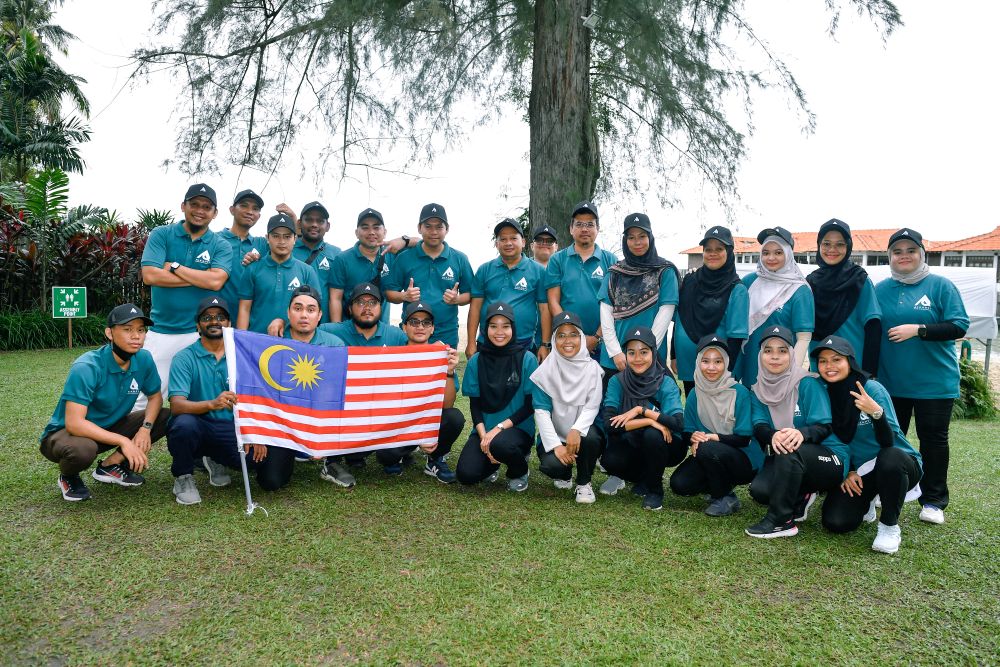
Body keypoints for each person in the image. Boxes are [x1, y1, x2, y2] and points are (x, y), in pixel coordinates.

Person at [875, 227, 968, 525]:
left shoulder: (941, 286)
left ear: (922, 254)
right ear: (889, 257)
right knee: (890, 440)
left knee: (933, 442)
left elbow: (959, 326)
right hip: (891, 382)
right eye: (897, 252)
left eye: (911, 250)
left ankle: (933, 500)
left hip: (934, 382)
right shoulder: (880, 290)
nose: (904, 256)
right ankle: (886, 489)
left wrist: (919, 330)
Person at [39, 304, 169, 501]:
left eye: (141, 330)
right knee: (83, 450)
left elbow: (155, 397)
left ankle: (110, 466)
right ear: (109, 333)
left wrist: (145, 428)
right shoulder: (87, 366)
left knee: (165, 416)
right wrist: (124, 441)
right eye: (127, 329)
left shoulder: (144, 359)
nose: (136, 336)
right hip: (66, 435)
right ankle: (68, 476)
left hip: (108, 427)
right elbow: (74, 423)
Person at [813, 337, 923, 554]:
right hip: (860, 471)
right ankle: (869, 498)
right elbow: (831, 439)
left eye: (836, 359)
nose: (829, 366)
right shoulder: (822, 392)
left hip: (898, 464)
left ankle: (889, 526)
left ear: (850, 362)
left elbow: (888, 441)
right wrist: (849, 470)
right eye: (823, 361)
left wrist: (876, 412)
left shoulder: (871, 388)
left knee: (889, 457)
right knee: (836, 521)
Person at [745, 326, 850, 538]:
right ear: (760, 355)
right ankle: (802, 493)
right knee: (761, 491)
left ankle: (781, 521)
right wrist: (774, 435)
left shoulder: (807, 382)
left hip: (829, 457)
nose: (775, 356)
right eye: (768, 350)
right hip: (788, 456)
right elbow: (759, 426)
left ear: (792, 354)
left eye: (782, 350)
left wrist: (801, 434)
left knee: (791, 450)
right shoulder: (757, 390)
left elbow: (824, 426)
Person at [166, 297, 271, 505]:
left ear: (229, 324)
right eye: (207, 318)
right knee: (183, 425)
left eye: (221, 317)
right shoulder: (184, 358)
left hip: (230, 426)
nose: (214, 321)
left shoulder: (242, 357)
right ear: (198, 325)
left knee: (255, 460)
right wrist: (211, 404)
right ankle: (183, 477)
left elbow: (257, 399)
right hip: (199, 423)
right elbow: (177, 405)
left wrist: (254, 432)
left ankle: (215, 458)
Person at [138, 183, 233, 409]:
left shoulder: (220, 244)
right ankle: (134, 433)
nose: (200, 210)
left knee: (199, 398)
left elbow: (216, 281)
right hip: (161, 331)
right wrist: (202, 276)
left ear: (215, 213)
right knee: (145, 397)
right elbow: (150, 275)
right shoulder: (162, 234)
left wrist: (175, 267)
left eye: (207, 207)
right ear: (183, 206)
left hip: (198, 334)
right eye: (194, 204)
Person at [258, 285, 350, 490]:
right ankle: (292, 452)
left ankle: (332, 461)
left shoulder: (334, 344)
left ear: (320, 315)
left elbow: (338, 391)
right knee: (271, 481)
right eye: (297, 308)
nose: (304, 315)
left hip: (321, 415)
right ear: (288, 312)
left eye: (311, 309)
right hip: (282, 422)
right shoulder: (271, 342)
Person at [374, 301, 465, 483]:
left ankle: (435, 459)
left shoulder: (441, 355)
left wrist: (448, 371)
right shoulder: (394, 356)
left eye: (426, 322)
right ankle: (403, 452)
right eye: (414, 322)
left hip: (428, 421)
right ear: (404, 327)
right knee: (386, 455)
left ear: (432, 328)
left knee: (454, 417)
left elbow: (446, 404)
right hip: (401, 422)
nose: (420, 327)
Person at [669, 336, 760, 516]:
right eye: (706, 361)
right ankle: (718, 483)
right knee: (680, 484)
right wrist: (693, 437)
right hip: (709, 453)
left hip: (745, 459)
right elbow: (687, 432)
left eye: (718, 361)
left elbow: (744, 438)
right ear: (698, 362)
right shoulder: (695, 393)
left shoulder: (740, 393)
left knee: (707, 448)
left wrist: (713, 438)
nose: (711, 367)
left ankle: (725, 497)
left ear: (726, 363)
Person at [599, 327, 685, 511]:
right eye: (631, 353)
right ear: (625, 355)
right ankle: (645, 477)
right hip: (633, 441)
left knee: (652, 435)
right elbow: (609, 424)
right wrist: (648, 420)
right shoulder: (617, 381)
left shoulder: (665, 382)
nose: (637, 358)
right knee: (611, 461)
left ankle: (655, 491)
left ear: (653, 352)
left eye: (644, 352)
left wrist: (642, 410)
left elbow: (677, 424)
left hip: (667, 445)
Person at [456, 302, 538, 491]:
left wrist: (498, 430)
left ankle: (519, 470)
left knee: (501, 445)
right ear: (486, 329)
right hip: (485, 431)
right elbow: (475, 405)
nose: (499, 332)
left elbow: (529, 406)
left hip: (517, 429)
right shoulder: (476, 361)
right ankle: (493, 462)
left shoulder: (527, 359)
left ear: (513, 329)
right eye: (493, 326)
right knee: (466, 475)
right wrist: (484, 436)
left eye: (505, 326)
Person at [530, 311, 605, 504]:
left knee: (592, 438)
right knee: (552, 466)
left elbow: (592, 407)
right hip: (555, 436)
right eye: (561, 335)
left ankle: (584, 483)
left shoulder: (593, 369)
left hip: (582, 435)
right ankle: (565, 474)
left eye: (573, 334)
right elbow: (541, 412)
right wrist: (556, 446)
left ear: (581, 338)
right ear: (554, 340)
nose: (567, 340)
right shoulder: (544, 371)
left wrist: (576, 430)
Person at [383, 203, 474, 349]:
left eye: (439, 227)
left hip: (446, 333)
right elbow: (389, 293)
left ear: (447, 229)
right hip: (412, 333)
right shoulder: (404, 258)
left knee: (446, 365)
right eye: (428, 226)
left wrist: (457, 299)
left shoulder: (459, 259)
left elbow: (470, 295)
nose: (434, 232)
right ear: (419, 228)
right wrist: (404, 296)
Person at [599, 212, 678, 377]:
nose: (637, 242)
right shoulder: (614, 273)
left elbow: (666, 313)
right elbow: (605, 315)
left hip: (651, 359)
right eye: (631, 237)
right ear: (625, 240)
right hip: (616, 360)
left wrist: (645, 352)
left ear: (650, 237)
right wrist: (615, 352)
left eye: (642, 236)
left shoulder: (665, 271)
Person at [672, 226, 748, 394]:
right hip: (689, 364)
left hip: (718, 369)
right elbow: (680, 318)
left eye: (719, 249)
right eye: (708, 249)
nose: (712, 253)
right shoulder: (690, 280)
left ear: (729, 252)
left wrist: (727, 371)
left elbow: (736, 337)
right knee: (694, 406)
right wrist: (674, 355)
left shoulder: (737, 289)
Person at [739, 226, 814, 387]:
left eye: (778, 252)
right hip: (750, 363)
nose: (771, 258)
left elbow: (804, 337)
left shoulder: (799, 289)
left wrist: (791, 374)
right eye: (766, 253)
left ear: (788, 254)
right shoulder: (749, 282)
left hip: (781, 368)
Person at [806, 219, 881, 375]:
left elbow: (873, 327)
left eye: (840, 244)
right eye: (826, 244)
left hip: (852, 368)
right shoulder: (810, 282)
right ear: (819, 245)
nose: (832, 249)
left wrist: (869, 373)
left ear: (848, 247)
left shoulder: (859, 280)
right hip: (819, 367)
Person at [545, 201, 618, 362]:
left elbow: (616, 303)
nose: (584, 229)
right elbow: (553, 301)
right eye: (579, 224)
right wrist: (572, 335)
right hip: (567, 343)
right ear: (571, 229)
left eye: (590, 224)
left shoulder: (611, 260)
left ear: (598, 229)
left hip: (602, 344)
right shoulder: (557, 260)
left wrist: (596, 337)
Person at [467, 218, 549, 359]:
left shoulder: (538, 271)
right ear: (496, 244)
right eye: (503, 239)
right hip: (487, 343)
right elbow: (475, 308)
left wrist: (545, 344)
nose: (508, 243)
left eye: (513, 238)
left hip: (523, 344)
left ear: (523, 242)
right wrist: (470, 342)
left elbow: (544, 309)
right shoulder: (484, 270)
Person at [237, 213, 323, 333]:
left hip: (293, 340)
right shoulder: (253, 269)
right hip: (257, 339)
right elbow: (244, 309)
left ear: (295, 239)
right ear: (267, 238)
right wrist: (242, 339)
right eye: (276, 236)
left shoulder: (307, 271)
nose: (281, 241)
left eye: (287, 236)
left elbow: (314, 310)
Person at [278, 200, 342, 319]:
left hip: (323, 324)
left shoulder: (337, 254)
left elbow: (338, 295)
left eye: (320, 221)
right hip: (287, 323)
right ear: (299, 223)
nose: (314, 224)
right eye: (309, 220)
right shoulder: (285, 249)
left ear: (328, 226)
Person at [217, 189, 269, 311]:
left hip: (250, 317)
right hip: (218, 316)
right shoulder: (214, 239)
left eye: (255, 209)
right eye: (244, 206)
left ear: (259, 216)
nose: (250, 212)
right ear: (232, 210)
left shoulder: (262, 244)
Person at [321, 282, 409, 346]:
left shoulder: (397, 337)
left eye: (373, 303)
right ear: (350, 309)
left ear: (381, 308)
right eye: (360, 302)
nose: (367, 307)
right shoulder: (329, 331)